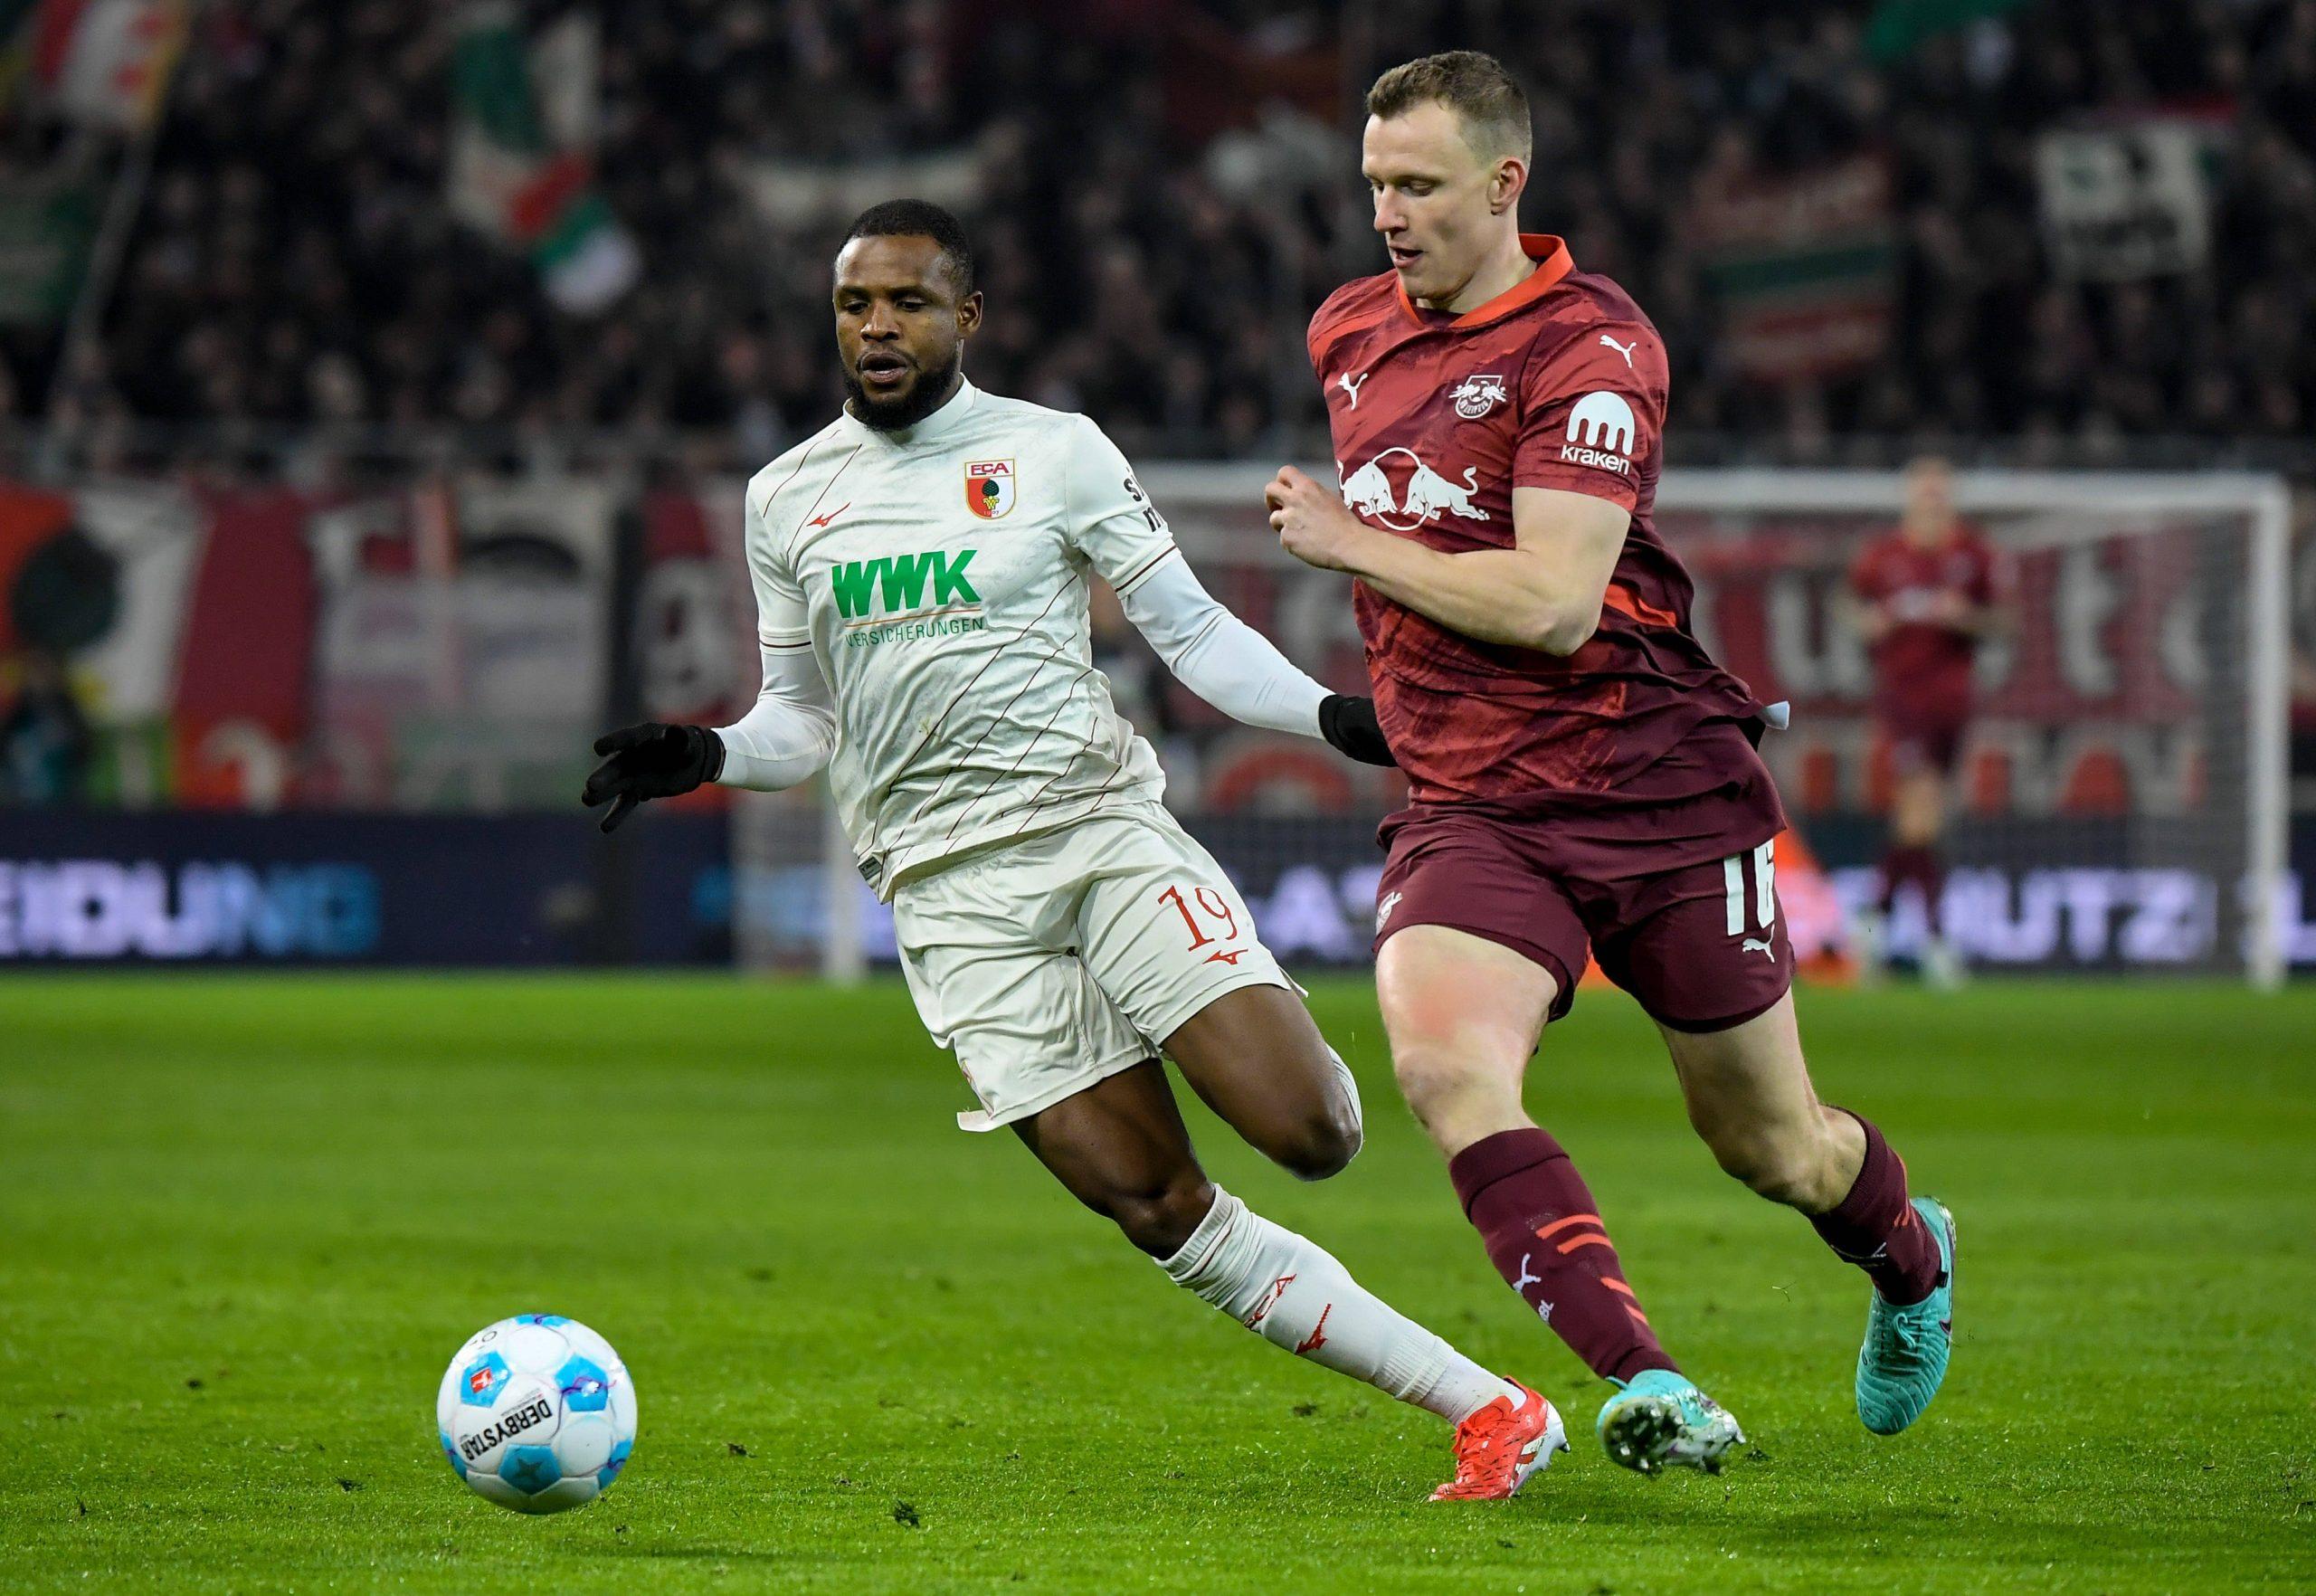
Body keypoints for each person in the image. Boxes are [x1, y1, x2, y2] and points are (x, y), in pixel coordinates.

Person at [584, 200, 1565, 1501]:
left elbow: (1192, 633)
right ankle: (1490, 1409)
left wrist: (1333, 717)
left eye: (908, 302)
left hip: (1095, 835)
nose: (877, 327)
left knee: (1312, 1134)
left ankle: (1256, 998)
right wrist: (709, 752)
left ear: (966, 316)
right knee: (1152, 1203)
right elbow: (801, 720)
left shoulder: (1054, 452)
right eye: (855, 305)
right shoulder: (786, 498)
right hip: (946, 898)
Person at [1262, 52, 1957, 1474]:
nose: (1388, 214)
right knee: (1447, 1069)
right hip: (1472, 804)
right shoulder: (1346, 328)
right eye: (1375, 184)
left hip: (1655, 786)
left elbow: (1552, 604)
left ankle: (1910, 1255)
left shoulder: (1593, 345)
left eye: (1419, 185)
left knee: (1772, 1148)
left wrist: (1352, 544)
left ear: (1504, 183)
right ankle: (1649, 1382)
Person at [1847, 457, 2004, 987]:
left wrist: (1969, 618)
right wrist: (1869, 622)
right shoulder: (1884, 556)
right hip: (1903, 699)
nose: (1933, 501)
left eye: (1941, 492)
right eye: (1925, 492)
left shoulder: (1973, 555)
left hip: (1952, 703)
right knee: (1920, 809)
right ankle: (1934, 940)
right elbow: (1853, 610)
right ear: (1911, 498)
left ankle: (1874, 922)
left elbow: (2003, 621)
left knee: (1922, 818)